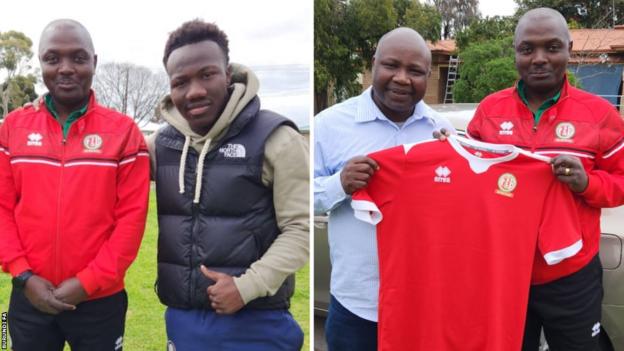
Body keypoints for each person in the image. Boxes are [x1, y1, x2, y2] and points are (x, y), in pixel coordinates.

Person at [441, 8, 624, 350]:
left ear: (569, 49)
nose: (539, 59)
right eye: (527, 49)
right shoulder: (490, 112)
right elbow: (469, 184)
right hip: (502, 271)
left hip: (571, 275)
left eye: (552, 47)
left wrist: (588, 183)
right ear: (515, 53)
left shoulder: (599, 114)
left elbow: (621, 183)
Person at [147, 20, 309, 350]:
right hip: (183, 319)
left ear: (228, 74)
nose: (194, 90)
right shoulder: (160, 145)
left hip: (257, 319)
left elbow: (301, 229)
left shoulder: (277, 138)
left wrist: (247, 286)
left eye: (207, 74)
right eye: (180, 82)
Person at [0, 19, 150, 351]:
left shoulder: (124, 132)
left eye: (78, 58)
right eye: (53, 58)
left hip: (100, 301)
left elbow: (132, 220)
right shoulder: (13, 127)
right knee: (2, 337)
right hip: (28, 296)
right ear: (41, 63)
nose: (66, 68)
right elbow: (2, 209)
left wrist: (88, 283)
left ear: (94, 62)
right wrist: (23, 276)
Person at [314, 27, 455, 351]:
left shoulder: (442, 132)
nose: (402, 79)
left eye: (415, 71)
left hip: (424, 303)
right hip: (356, 304)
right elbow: (300, 201)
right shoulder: (329, 125)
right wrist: (340, 184)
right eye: (392, 65)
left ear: (428, 74)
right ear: (374, 63)